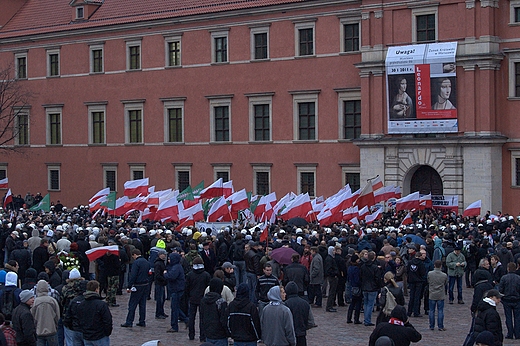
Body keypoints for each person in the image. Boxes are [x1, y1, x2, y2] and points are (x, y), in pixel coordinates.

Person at [76, 280, 113, 346]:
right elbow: (108, 320)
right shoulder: (101, 304)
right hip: (100, 336)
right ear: (96, 290)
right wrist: (107, 333)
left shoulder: (81, 304)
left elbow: (79, 320)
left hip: (87, 336)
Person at [121, 249, 150, 328]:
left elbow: (133, 275)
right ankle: (142, 321)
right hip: (145, 284)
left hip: (138, 285)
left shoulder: (136, 263)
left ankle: (129, 321)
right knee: (142, 304)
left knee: (132, 304)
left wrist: (129, 286)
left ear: (134, 255)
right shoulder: (146, 262)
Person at [186, 256, 211, 341]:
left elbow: (187, 287)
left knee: (191, 318)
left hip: (192, 298)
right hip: (202, 298)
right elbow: (208, 287)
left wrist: (188, 295)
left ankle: (191, 335)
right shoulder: (206, 275)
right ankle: (202, 336)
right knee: (202, 318)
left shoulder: (190, 274)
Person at [200, 278, 229, 346]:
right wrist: (228, 332)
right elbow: (223, 320)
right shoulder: (221, 302)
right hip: (220, 335)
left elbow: (202, 318)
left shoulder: (203, 300)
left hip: (208, 334)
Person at [31, 279, 60, 346]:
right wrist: (55, 325)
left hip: (39, 331)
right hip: (51, 330)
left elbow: (33, 316)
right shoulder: (52, 300)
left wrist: (36, 326)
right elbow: (57, 315)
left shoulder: (35, 302)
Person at [284, 281, 313, 346]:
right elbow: (311, 322)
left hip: (289, 336)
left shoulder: (285, 304)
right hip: (301, 335)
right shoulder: (305, 303)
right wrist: (303, 327)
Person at [164, 252, 187, 333]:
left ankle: (176, 325)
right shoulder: (176, 266)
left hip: (176, 289)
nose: (169, 260)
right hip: (177, 289)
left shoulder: (176, 267)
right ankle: (185, 320)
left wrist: (165, 274)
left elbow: (171, 276)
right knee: (175, 307)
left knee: (175, 308)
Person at [498, 262, 520, 339]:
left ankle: (510, 333)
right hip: (517, 300)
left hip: (507, 300)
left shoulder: (504, 278)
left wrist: (502, 298)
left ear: (508, 269)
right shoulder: (518, 278)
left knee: (508, 317)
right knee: (517, 318)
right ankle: (517, 334)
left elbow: (500, 289)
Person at [360, 251, 382, 325]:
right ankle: (367, 320)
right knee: (370, 304)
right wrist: (378, 286)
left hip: (364, 287)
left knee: (366, 304)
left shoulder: (363, 266)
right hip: (372, 288)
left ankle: (366, 319)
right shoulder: (375, 267)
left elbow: (361, 276)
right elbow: (377, 278)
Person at [427, 259, 448, 331]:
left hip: (432, 294)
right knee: (440, 311)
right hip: (440, 294)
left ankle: (431, 326)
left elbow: (428, 281)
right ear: (441, 266)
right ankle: (440, 326)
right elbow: (445, 283)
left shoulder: (430, 273)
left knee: (431, 310)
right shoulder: (444, 275)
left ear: (434, 265)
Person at [406, 250, 426, 318]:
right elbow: (423, 273)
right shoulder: (421, 263)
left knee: (411, 297)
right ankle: (416, 312)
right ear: (420, 256)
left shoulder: (410, 262)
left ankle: (409, 311)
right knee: (417, 297)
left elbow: (407, 271)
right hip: (419, 281)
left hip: (411, 281)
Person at [347, 254, 362, 324]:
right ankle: (356, 319)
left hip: (351, 286)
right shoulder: (356, 268)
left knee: (352, 303)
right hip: (356, 287)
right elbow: (357, 280)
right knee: (358, 303)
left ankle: (349, 318)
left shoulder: (350, 267)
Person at [153, 249, 168, 319]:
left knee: (163, 299)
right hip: (159, 283)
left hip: (161, 283)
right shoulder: (158, 264)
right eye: (164, 254)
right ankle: (158, 313)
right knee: (160, 299)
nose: (165, 256)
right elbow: (157, 275)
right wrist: (164, 278)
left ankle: (161, 311)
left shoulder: (161, 262)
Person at [324, 246, 338, 313]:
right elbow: (328, 270)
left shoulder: (331, 258)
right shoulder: (329, 259)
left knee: (332, 292)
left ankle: (330, 306)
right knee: (331, 292)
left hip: (332, 276)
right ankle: (329, 306)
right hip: (332, 277)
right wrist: (334, 273)